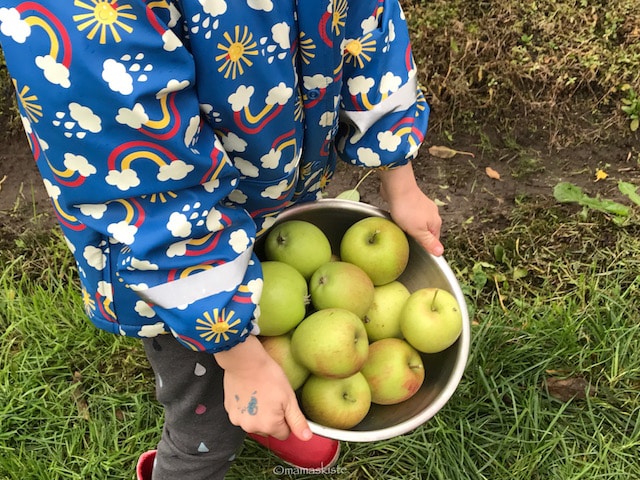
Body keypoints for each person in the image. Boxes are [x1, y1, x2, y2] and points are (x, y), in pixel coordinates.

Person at [0, 0, 444, 478]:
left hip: (277, 194)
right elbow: (135, 161)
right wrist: (241, 359)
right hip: (171, 258)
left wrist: (400, 173)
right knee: (205, 424)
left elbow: (367, 21)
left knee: (281, 326)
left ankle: (260, 394)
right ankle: (199, 449)